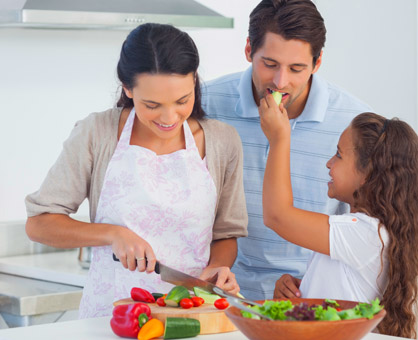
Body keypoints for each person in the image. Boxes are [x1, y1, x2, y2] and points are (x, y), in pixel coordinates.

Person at [25, 23, 248, 318]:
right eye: (152, 105)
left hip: (192, 314)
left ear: (194, 80)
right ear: (127, 88)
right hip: (110, 318)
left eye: (182, 100)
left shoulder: (223, 141)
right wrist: (112, 234)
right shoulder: (96, 133)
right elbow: (39, 224)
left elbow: (225, 234)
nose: (170, 117)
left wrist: (217, 268)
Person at [201, 0, 371, 300]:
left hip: (308, 299)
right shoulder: (204, 103)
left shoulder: (352, 123)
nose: (281, 82)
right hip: (215, 295)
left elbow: (361, 221)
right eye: (269, 64)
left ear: (317, 63)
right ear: (248, 50)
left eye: (296, 68)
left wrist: (314, 285)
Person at [259, 97, 418, 338]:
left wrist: (279, 139)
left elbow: (277, 217)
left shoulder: (366, 233)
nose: (329, 163)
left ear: (368, 174)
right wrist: (303, 289)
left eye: (339, 155)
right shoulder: (368, 233)